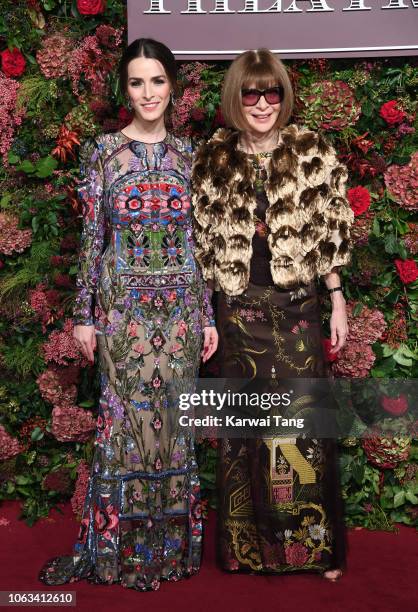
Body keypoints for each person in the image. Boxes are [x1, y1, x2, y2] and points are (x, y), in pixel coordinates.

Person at [39, 37, 218, 592]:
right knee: (124, 431)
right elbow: (93, 239)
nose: (148, 93)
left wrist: (207, 315)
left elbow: (199, 243)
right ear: (125, 88)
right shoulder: (102, 152)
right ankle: (118, 551)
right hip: (124, 316)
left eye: (157, 81)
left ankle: (170, 553)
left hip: (182, 314)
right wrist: (83, 315)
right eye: (137, 82)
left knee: (174, 433)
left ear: (173, 87)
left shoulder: (192, 156)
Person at [192, 49, 354, 582]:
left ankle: (316, 549)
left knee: (303, 425)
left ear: (284, 96)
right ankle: (248, 549)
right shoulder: (214, 156)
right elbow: (202, 245)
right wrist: (206, 315)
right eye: (251, 93)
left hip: (298, 307)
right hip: (238, 310)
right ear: (235, 98)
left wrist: (336, 298)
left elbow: (332, 229)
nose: (263, 104)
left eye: (273, 93)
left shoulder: (311, 148)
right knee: (245, 432)